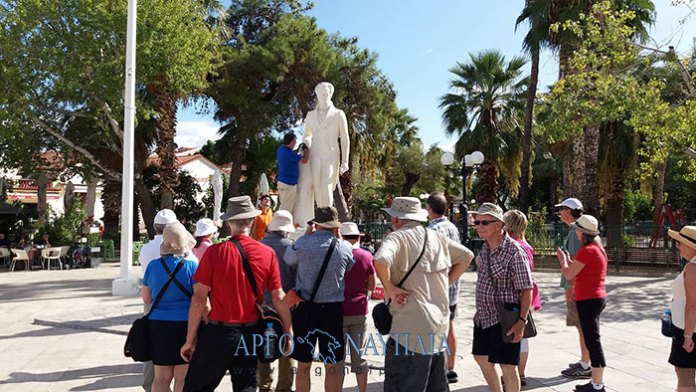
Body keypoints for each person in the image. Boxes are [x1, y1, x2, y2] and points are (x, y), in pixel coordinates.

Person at [181, 195, 292, 392]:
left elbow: (199, 298)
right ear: (252, 221)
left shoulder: (215, 252)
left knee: (196, 387)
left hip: (218, 332)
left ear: (229, 222)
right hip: (249, 333)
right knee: (246, 387)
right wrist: (288, 331)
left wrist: (190, 340)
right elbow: (279, 297)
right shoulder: (267, 253)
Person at [374, 196, 473, 392]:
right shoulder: (436, 237)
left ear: (396, 219)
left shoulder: (396, 237)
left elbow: (380, 259)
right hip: (437, 330)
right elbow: (466, 256)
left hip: (408, 332)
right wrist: (445, 283)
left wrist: (391, 289)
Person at [284, 206, 355, 392]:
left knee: (303, 364)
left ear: (316, 224)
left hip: (305, 309)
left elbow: (288, 258)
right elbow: (350, 266)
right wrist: (338, 239)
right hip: (332, 310)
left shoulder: (303, 243)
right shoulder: (344, 247)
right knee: (332, 364)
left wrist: (306, 235)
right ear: (335, 226)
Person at [471, 203, 533, 392]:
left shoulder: (514, 251)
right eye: (477, 222)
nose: (479, 226)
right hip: (483, 316)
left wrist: (521, 322)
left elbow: (526, 289)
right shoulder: (485, 247)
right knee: (481, 357)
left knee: (508, 366)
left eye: (484, 222)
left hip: (504, 318)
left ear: (498, 225)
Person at [141, 222, 198, 392]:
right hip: (185, 326)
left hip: (158, 325)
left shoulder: (152, 266)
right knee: (182, 376)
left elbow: (146, 298)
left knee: (161, 378)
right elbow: (199, 299)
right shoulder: (192, 266)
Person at [556, 214, 607, 392]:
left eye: (577, 229)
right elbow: (578, 272)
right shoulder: (597, 248)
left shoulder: (588, 250)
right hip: (594, 298)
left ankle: (598, 384)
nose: (575, 232)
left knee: (593, 341)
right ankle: (595, 381)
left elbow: (569, 274)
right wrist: (569, 262)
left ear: (582, 232)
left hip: (589, 300)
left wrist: (562, 260)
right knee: (592, 339)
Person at [296, 82, 350, 218]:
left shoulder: (338, 114)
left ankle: (328, 217)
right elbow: (307, 135)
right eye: (320, 94)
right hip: (315, 153)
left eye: (325, 94)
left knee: (326, 184)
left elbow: (344, 138)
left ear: (330, 94)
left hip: (331, 154)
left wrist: (345, 161)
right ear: (317, 95)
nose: (323, 96)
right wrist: (306, 144)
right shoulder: (310, 115)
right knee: (318, 186)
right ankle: (321, 215)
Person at [257, 210, 297, 392]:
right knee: (287, 345)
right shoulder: (292, 248)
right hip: (287, 304)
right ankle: (284, 387)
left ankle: (264, 385)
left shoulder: (258, 246)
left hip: (261, 305)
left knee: (262, 344)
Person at [425, 191, 462, 384]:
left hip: (437, 287)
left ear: (429, 209)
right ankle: (451, 368)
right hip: (453, 287)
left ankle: (435, 369)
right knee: (450, 326)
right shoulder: (452, 228)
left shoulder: (431, 231)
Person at [503, 210, 542, 387]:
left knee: (510, 334)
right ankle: (521, 373)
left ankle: (510, 374)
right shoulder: (526, 245)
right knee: (523, 335)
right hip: (529, 291)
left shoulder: (507, 245)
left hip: (513, 293)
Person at [556, 198, 592, 379]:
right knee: (582, 326)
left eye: (561, 210)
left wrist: (572, 287)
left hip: (576, 287)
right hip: (577, 286)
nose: (559, 213)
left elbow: (577, 262)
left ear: (568, 211)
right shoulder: (577, 231)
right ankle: (585, 360)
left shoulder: (576, 233)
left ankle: (586, 364)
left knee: (582, 326)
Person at [340, 222, 376, 392]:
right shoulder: (366, 256)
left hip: (339, 310)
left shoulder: (337, 254)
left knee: (337, 357)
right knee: (359, 356)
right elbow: (372, 285)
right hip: (359, 309)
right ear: (358, 237)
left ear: (341, 236)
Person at [668, 226, 696, 392]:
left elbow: (692, 305)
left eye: (680, 243)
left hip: (689, 330)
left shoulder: (693, 268)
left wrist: (687, 336)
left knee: (685, 375)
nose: (677, 246)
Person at [276, 132, 308, 217]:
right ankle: (280, 227)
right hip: (289, 184)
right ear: (292, 141)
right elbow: (304, 161)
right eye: (294, 142)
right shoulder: (290, 154)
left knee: (283, 205)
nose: (295, 144)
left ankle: (279, 226)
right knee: (286, 209)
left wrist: (298, 150)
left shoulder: (281, 150)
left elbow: (293, 155)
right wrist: (306, 150)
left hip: (282, 182)